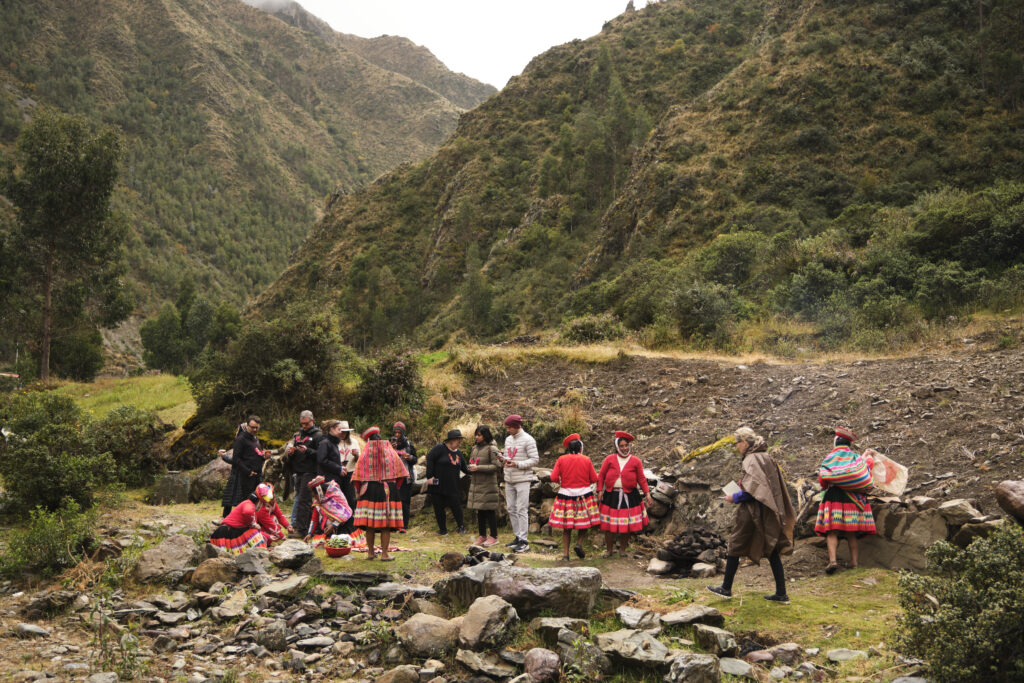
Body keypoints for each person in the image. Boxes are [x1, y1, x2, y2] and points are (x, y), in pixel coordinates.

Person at [707, 426, 796, 604]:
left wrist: (735, 496)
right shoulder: (766, 456)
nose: (736, 446)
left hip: (753, 510)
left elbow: (753, 491)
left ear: (745, 442)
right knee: (771, 548)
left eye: (737, 443)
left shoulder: (751, 459)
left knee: (735, 544)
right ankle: (781, 594)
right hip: (768, 510)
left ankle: (725, 588)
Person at [814, 426, 877, 574]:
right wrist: (867, 456)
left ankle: (833, 561)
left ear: (836, 443)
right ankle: (854, 562)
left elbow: (823, 481)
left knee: (832, 531)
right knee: (851, 532)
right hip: (853, 499)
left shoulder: (830, 458)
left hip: (834, 498)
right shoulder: (855, 458)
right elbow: (866, 468)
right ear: (848, 444)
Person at [351, 426, 408, 561]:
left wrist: (359, 491)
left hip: (369, 490)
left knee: (369, 524)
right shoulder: (390, 451)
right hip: (388, 489)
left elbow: (356, 477)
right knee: (385, 525)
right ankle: (384, 554)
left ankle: (370, 553)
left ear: (368, 440)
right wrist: (395, 487)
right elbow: (401, 473)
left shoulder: (365, 452)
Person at [597, 431, 652, 558]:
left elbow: (642, 479)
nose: (624, 448)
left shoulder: (636, 461)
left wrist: (647, 494)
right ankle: (609, 550)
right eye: (621, 446)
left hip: (629, 496)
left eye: (626, 445)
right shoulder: (609, 459)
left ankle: (622, 550)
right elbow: (601, 476)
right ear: (617, 447)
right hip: (611, 495)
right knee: (609, 525)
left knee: (626, 525)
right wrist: (600, 490)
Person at [549, 433, 600, 561]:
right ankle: (579, 543)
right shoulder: (586, 460)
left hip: (566, 495)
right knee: (585, 523)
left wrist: (563, 480)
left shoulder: (561, 459)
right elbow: (594, 478)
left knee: (567, 527)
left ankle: (566, 555)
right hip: (584, 495)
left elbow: (553, 477)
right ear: (580, 449)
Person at [502, 414, 538, 553]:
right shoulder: (508, 440)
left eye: (509, 427)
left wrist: (517, 464)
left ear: (517, 426)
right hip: (509, 478)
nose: (507, 430)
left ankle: (524, 540)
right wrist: (503, 459)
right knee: (511, 508)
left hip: (522, 478)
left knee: (521, 508)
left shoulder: (528, 440)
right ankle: (517, 536)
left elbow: (534, 459)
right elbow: (509, 456)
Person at [426, 429, 469, 535]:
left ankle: (461, 527)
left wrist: (473, 469)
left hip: (453, 485)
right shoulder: (439, 448)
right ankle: (443, 530)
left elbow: (464, 468)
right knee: (438, 508)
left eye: (460, 441)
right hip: (438, 485)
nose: (460, 443)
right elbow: (430, 459)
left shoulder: (458, 453)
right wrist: (429, 476)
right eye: (458, 440)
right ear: (451, 440)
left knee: (456, 506)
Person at [210, 484, 271, 555]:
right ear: (259, 501)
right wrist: (254, 524)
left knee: (252, 531)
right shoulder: (249, 504)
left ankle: (261, 552)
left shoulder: (249, 505)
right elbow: (247, 512)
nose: (262, 506)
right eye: (262, 503)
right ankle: (262, 553)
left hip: (232, 532)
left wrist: (269, 537)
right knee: (253, 532)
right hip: (224, 534)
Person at [466, 425, 502, 547]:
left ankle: (494, 536)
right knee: (479, 510)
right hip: (477, 484)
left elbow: (496, 466)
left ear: (485, 435)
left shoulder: (492, 449)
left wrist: (478, 468)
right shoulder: (474, 448)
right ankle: (482, 535)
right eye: (476, 434)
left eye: (479, 435)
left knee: (489, 510)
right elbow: (473, 461)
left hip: (488, 484)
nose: (477, 437)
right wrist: (470, 466)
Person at [288, 410, 322, 535]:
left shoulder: (318, 435)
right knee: (299, 498)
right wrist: (291, 452)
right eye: (301, 424)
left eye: (306, 424)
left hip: (310, 471)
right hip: (298, 470)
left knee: (304, 500)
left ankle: (302, 530)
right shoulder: (298, 435)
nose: (303, 426)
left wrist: (307, 451)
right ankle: (299, 525)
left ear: (312, 421)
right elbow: (296, 450)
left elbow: (320, 455)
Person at [229, 416, 267, 509]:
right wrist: (247, 471)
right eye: (252, 427)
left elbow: (257, 456)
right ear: (247, 426)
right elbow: (236, 459)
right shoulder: (241, 439)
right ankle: (242, 522)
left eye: (257, 427)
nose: (254, 429)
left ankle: (252, 521)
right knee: (245, 501)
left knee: (256, 500)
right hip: (245, 476)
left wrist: (264, 457)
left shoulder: (256, 439)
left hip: (257, 475)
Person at [304, 475, 353, 540]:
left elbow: (346, 513)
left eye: (315, 495)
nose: (314, 498)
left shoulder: (336, 495)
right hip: (328, 530)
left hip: (344, 527)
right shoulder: (318, 503)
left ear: (319, 492)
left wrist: (333, 525)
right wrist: (310, 533)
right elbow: (314, 519)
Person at [391, 422, 418, 531]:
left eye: (399, 432)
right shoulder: (389, 443)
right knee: (392, 501)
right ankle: (393, 525)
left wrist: (409, 457)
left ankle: (403, 525)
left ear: (403, 433)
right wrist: (391, 449)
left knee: (404, 501)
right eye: (395, 432)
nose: (397, 434)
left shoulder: (409, 444)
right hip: (393, 477)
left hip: (406, 477)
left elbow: (415, 459)